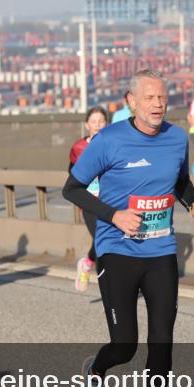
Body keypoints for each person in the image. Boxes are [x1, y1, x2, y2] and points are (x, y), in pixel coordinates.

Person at [62, 69, 194, 387]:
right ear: (131, 101)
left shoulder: (177, 138)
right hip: (117, 249)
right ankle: (95, 372)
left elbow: (180, 181)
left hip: (160, 251)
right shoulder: (108, 141)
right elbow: (71, 188)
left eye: (162, 97)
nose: (158, 104)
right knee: (125, 345)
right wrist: (113, 216)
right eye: (149, 98)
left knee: (162, 345)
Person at [69, 106, 109, 291]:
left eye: (101, 121)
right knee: (101, 238)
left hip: (109, 200)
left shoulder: (112, 144)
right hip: (89, 201)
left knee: (106, 240)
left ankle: (87, 263)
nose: (98, 125)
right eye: (94, 122)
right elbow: (71, 174)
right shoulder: (78, 148)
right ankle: (106, 284)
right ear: (87, 125)